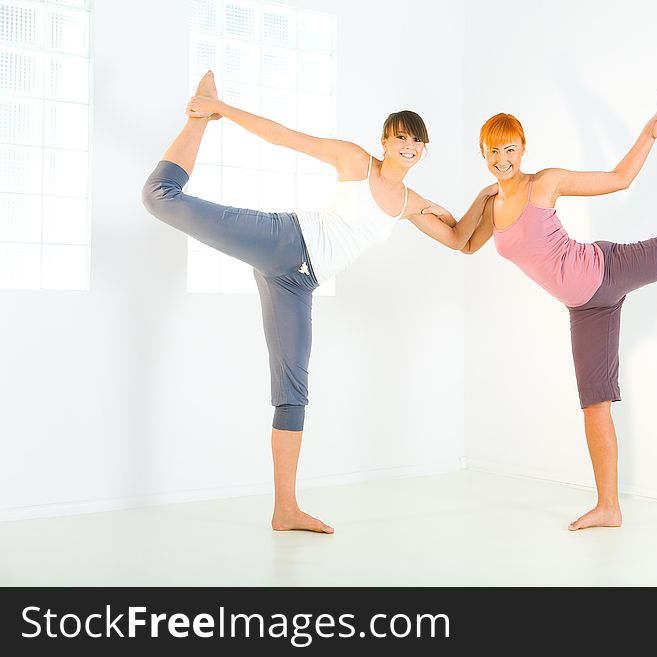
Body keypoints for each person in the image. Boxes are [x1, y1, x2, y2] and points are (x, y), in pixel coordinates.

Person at [142, 71, 495, 533]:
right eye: (401, 137)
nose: (409, 146)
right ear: (385, 141)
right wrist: (219, 110)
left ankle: (285, 510)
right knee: (159, 197)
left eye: (417, 141)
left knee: (293, 396)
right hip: (286, 243)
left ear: (423, 150)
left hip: (298, 284)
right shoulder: (355, 161)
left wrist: (491, 197)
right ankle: (199, 115)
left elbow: (460, 242)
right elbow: (286, 137)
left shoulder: (412, 202)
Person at [425, 84, 657, 530]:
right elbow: (460, 241)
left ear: (523, 148)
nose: (502, 159)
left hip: (607, 269)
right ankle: (609, 507)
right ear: (483, 153)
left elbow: (619, 179)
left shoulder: (544, 182)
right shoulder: (491, 201)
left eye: (510, 149)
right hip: (586, 309)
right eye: (493, 151)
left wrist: (653, 130)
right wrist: (414, 210)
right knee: (594, 403)